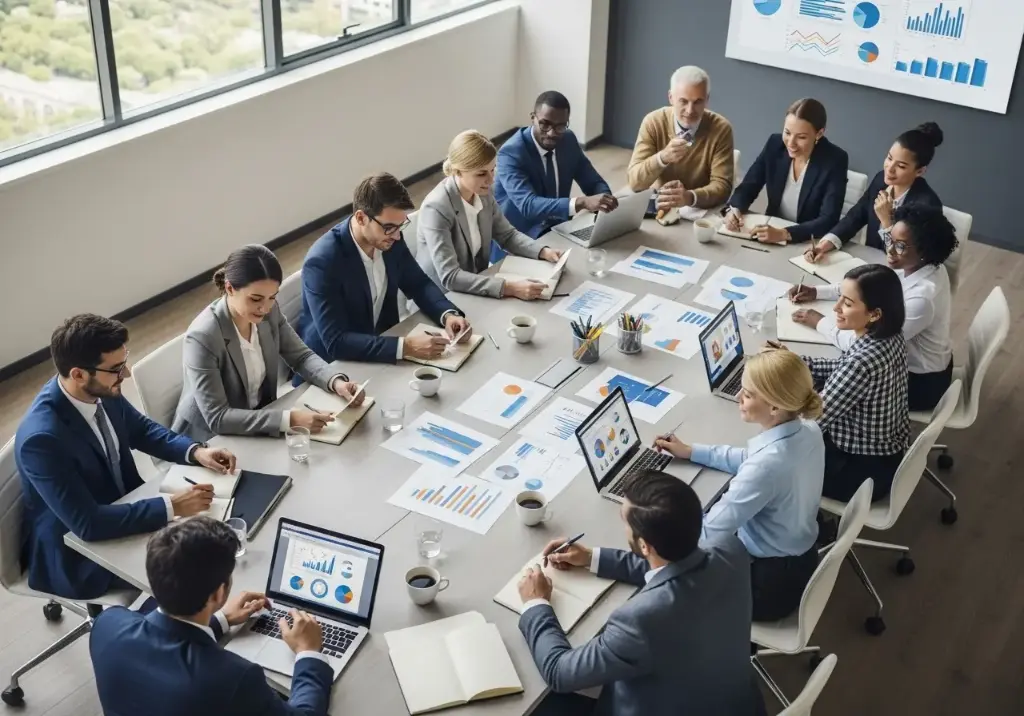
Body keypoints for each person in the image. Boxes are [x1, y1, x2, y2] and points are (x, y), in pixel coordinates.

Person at [15, 315, 236, 600]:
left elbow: (140, 429)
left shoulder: (98, 386)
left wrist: (195, 451)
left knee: (220, 537)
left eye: (124, 362)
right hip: (79, 553)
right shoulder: (42, 440)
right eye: (117, 368)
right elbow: (88, 524)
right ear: (78, 374)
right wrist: (172, 506)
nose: (127, 374)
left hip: (126, 507)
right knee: (200, 567)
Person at [517, 472, 765, 716]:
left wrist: (536, 603)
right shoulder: (729, 549)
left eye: (624, 522)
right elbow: (678, 567)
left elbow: (558, 672)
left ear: (645, 546)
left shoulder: (639, 621)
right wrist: (592, 558)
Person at [90, 517, 332, 716]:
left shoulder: (107, 625)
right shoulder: (235, 678)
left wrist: (220, 620)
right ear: (219, 593)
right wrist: (308, 653)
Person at [655, 348, 825, 622]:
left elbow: (710, 532)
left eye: (747, 394)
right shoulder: (808, 429)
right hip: (800, 557)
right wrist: (692, 451)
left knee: (671, 585)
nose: (738, 398)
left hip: (768, 585)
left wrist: (653, 526)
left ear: (774, 407)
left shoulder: (767, 467)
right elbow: (751, 460)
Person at [173, 245, 366, 443]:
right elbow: (218, 417)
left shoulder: (268, 311)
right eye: (255, 299)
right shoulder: (203, 337)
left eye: (272, 297)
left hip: (258, 419)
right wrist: (288, 420)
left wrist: (335, 382)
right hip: (210, 440)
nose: (265, 308)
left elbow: (301, 356)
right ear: (230, 288)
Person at [791, 205, 957, 411]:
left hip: (920, 381)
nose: (890, 250)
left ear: (925, 250)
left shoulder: (923, 298)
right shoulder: (916, 264)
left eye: (901, 246)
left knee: (817, 390)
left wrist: (818, 321)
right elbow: (868, 287)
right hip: (904, 363)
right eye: (890, 239)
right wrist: (817, 292)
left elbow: (863, 345)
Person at [298, 173, 472, 365]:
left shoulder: (389, 238)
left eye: (401, 226)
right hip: (332, 366)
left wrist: (447, 314)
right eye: (389, 227)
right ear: (361, 218)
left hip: (379, 350)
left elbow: (418, 283)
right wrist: (407, 347)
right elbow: (336, 341)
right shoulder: (323, 262)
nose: (397, 236)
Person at [797, 265, 910, 502]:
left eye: (847, 304)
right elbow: (843, 368)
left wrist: (771, 388)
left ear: (874, 314)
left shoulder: (860, 363)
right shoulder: (889, 335)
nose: (836, 308)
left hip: (858, 472)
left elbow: (810, 422)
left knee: (775, 469)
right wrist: (796, 363)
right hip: (885, 454)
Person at [416, 130, 564, 300]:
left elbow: (507, 235)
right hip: (441, 299)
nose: (491, 180)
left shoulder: (482, 192)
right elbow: (450, 276)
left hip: (474, 287)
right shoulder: (436, 208)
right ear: (458, 171)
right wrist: (510, 288)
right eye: (481, 173)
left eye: (492, 170)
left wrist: (543, 252)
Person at [492, 91, 616, 261]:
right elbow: (528, 205)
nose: (551, 133)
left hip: (559, 232)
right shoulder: (511, 153)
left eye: (560, 126)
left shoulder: (568, 140)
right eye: (544, 124)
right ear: (532, 117)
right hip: (520, 244)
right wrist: (581, 202)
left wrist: (604, 201)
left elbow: (593, 182)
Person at [806, 122, 944, 258]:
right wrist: (826, 244)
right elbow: (856, 216)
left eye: (901, 166)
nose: (889, 168)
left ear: (920, 171)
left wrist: (886, 222)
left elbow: (906, 257)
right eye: (889, 158)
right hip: (869, 263)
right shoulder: (881, 180)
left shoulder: (927, 205)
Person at [724, 98, 848, 244]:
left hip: (807, 241)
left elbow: (828, 219)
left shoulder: (835, 160)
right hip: (770, 235)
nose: (791, 143)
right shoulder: (775, 144)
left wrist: (785, 234)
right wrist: (734, 210)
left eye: (801, 137)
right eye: (787, 132)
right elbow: (749, 185)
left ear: (819, 134)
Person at [626, 66, 734, 213]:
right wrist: (662, 158)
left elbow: (723, 187)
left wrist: (689, 197)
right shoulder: (653, 122)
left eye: (697, 102)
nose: (690, 110)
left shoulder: (721, 128)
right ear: (671, 97)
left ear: (707, 100)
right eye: (683, 101)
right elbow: (634, 182)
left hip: (698, 209)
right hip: (660, 206)